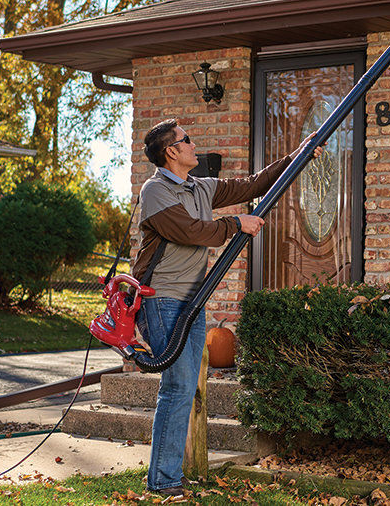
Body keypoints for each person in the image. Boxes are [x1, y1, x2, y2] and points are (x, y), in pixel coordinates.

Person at [131, 118, 322, 496]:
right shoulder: (156, 191)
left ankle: (167, 477)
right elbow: (189, 231)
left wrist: (298, 155)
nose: (193, 145)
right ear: (172, 151)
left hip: (192, 301)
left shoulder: (200, 187)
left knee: (184, 387)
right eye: (187, 140)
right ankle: (164, 481)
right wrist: (236, 223)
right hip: (161, 299)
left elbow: (250, 185)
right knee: (179, 387)